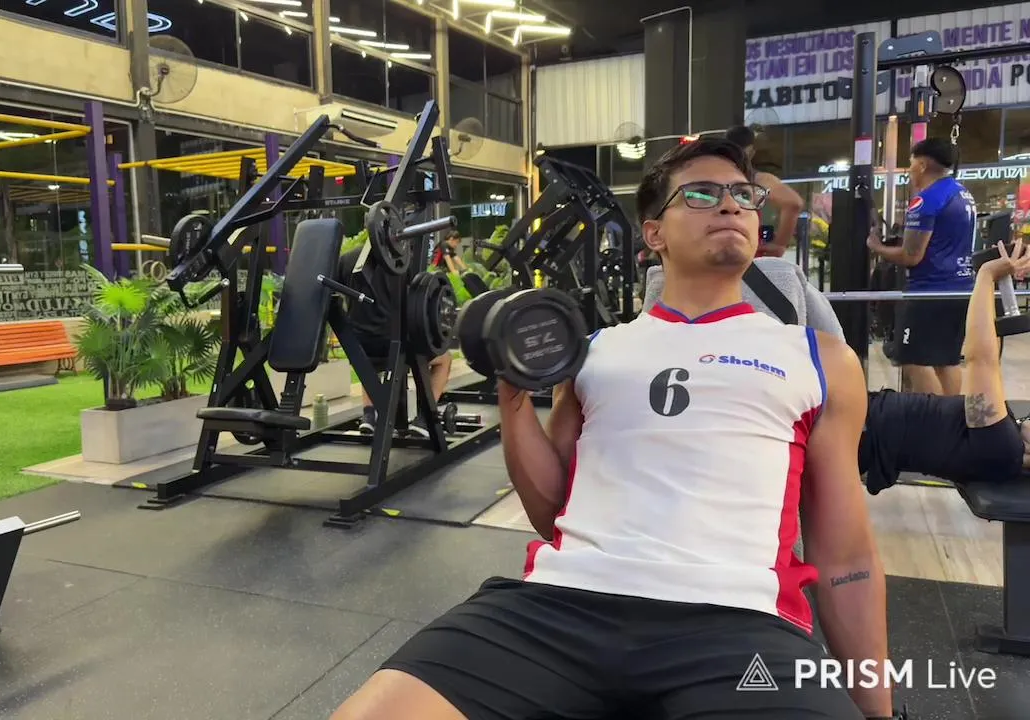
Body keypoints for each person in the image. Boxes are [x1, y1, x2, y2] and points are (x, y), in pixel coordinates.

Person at [331, 138, 894, 720]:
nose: (730, 205)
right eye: (701, 194)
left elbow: (845, 556)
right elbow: (553, 512)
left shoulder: (819, 357)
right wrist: (512, 391)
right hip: (562, 606)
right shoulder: (592, 350)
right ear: (654, 234)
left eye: (742, 195)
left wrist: (877, 709)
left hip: (739, 622)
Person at [861, 238, 1030, 492]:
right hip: (867, 419)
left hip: (863, 426)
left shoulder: (1002, 445)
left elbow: (982, 360)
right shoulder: (1007, 446)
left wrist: (987, 275)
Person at [868, 138, 976, 396]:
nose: (910, 171)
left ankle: (933, 415)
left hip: (929, 292)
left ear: (923, 165)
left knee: (911, 359)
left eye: (911, 164)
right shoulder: (961, 193)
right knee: (946, 360)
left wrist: (877, 247)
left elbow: (911, 256)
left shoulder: (926, 200)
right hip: (960, 288)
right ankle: (951, 414)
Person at [337, 245, 453, 437]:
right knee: (444, 359)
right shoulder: (403, 260)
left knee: (369, 363)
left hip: (360, 346)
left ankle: (369, 416)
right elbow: (418, 302)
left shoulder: (347, 260)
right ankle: (424, 419)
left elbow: (332, 291)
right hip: (395, 345)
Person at [725, 125, 806, 258]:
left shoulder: (709, 177)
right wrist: (779, 244)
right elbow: (793, 203)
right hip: (746, 257)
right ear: (750, 150)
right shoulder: (756, 180)